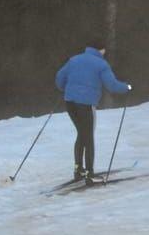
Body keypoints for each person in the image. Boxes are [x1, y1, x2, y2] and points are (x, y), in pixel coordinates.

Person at [55, 42, 131, 183]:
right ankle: (89, 172)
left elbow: (59, 77)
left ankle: (78, 169)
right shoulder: (101, 65)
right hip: (85, 104)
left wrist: (66, 88)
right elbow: (112, 85)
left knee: (82, 134)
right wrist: (127, 87)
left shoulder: (74, 59)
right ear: (101, 50)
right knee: (88, 136)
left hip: (70, 102)